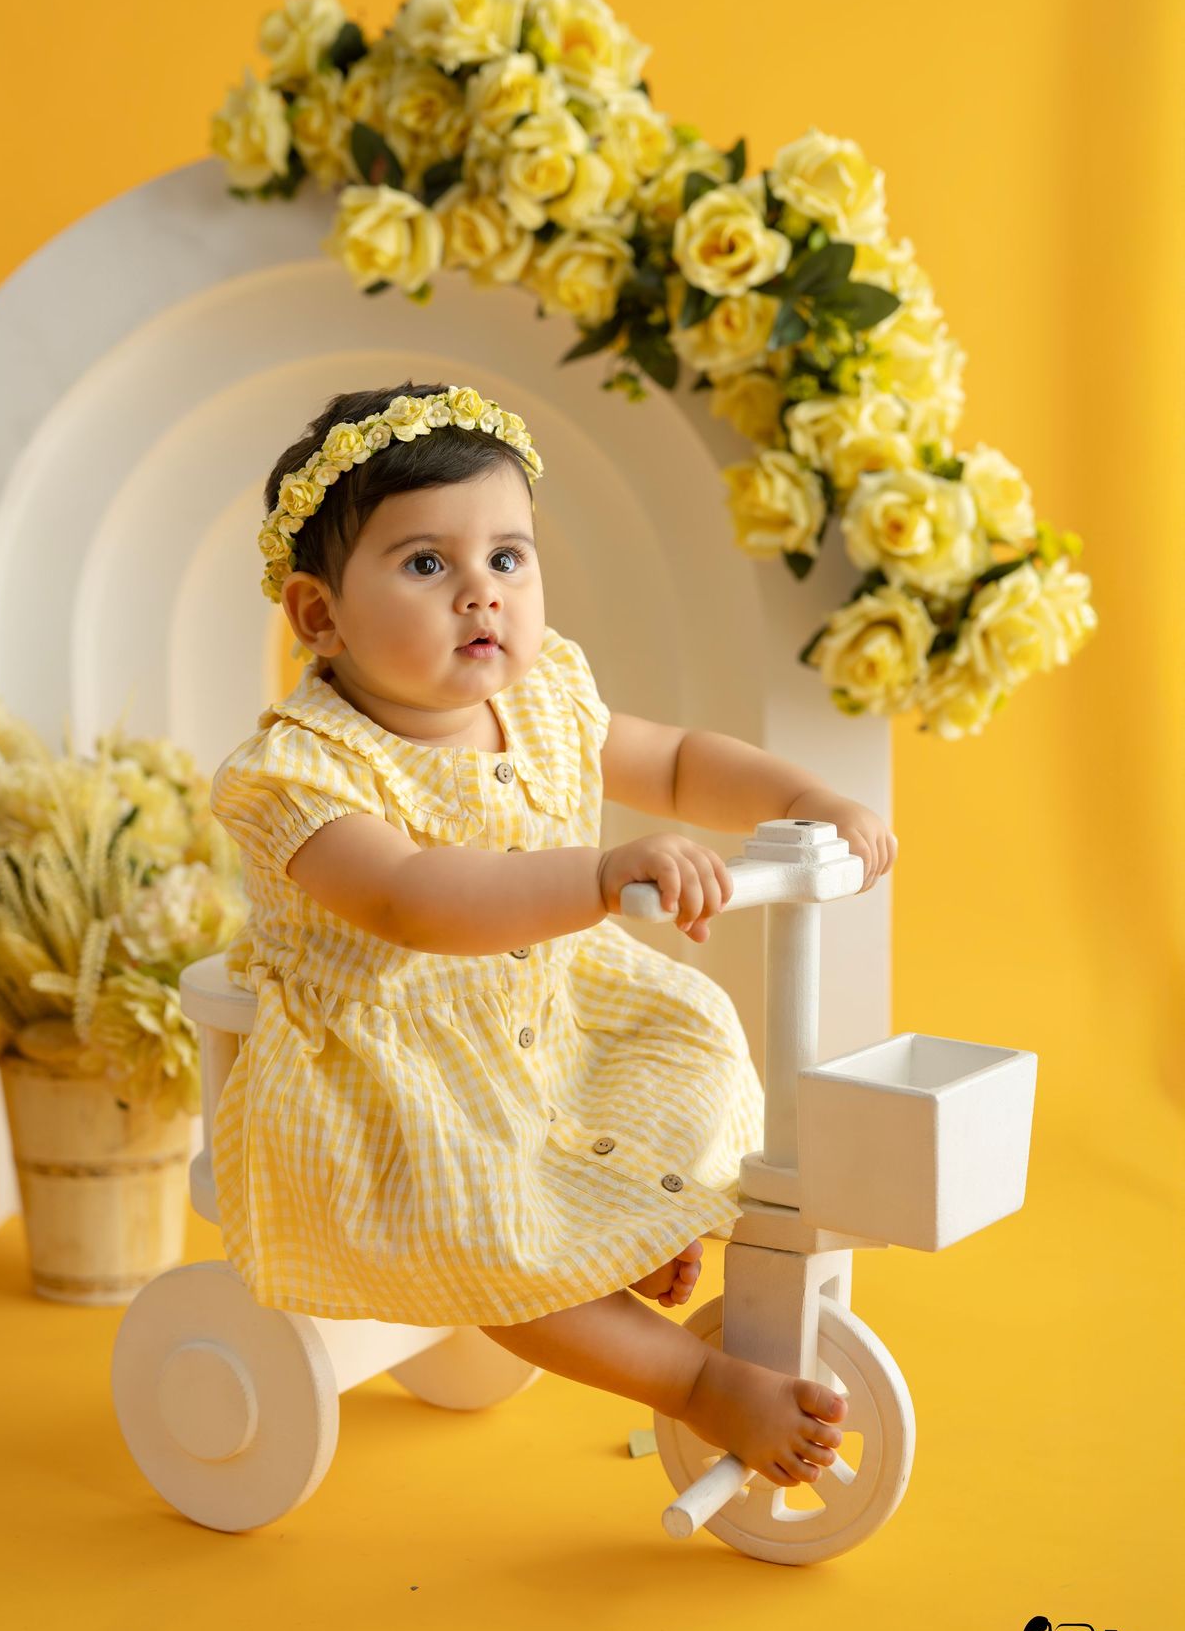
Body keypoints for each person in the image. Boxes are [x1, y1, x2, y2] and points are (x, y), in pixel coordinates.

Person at [209, 379, 898, 1490]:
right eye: (426, 564)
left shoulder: (546, 697)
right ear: (320, 615)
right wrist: (597, 873)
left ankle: (634, 1219)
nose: (481, 594)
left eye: (509, 558)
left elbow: (676, 763)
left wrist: (804, 797)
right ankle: (694, 1383)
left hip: (552, 1010)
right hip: (399, 1059)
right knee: (480, 1220)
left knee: (699, 1042)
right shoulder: (297, 770)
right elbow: (413, 899)